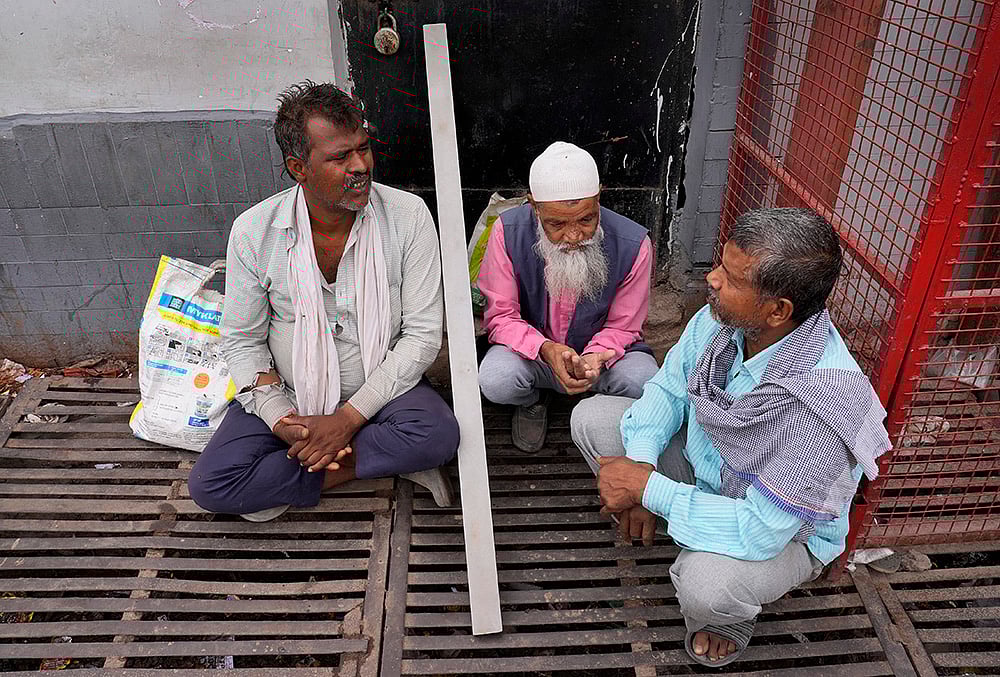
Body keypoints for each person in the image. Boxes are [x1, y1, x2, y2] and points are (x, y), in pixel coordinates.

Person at [571, 208, 891, 666]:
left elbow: (760, 530)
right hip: (710, 474)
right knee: (594, 419)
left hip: (783, 534)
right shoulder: (724, 321)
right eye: (720, 264)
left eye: (732, 278)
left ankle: (729, 613)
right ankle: (683, 523)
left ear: (777, 310)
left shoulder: (823, 402)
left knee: (707, 587)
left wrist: (647, 489)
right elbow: (667, 390)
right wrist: (641, 468)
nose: (713, 280)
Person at [188, 81, 459, 522]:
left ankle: (304, 471)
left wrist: (347, 419)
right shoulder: (255, 232)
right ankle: (361, 462)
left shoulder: (408, 216)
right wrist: (281, 419)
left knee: (439, 435)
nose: (360, 167)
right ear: (299, 168)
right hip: (293, 396)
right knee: (211, 484)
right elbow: (242, 341)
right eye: (340, 158)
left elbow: (423, 336)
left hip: (382, 391)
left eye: (364, 149)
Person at [477, 141, 659, 452]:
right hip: (537, 358)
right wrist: (546, 349)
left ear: (598, 199)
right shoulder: (506, 231)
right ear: (535, 207)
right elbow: (501, 317)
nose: (574, 236)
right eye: (557, 224)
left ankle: (595, 406)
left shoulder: (634, 243)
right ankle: (534, 400)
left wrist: (594, 358)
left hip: (600, 363)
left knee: (645, 380)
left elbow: (624, 327)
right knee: (496, 378)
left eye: (586, 220)